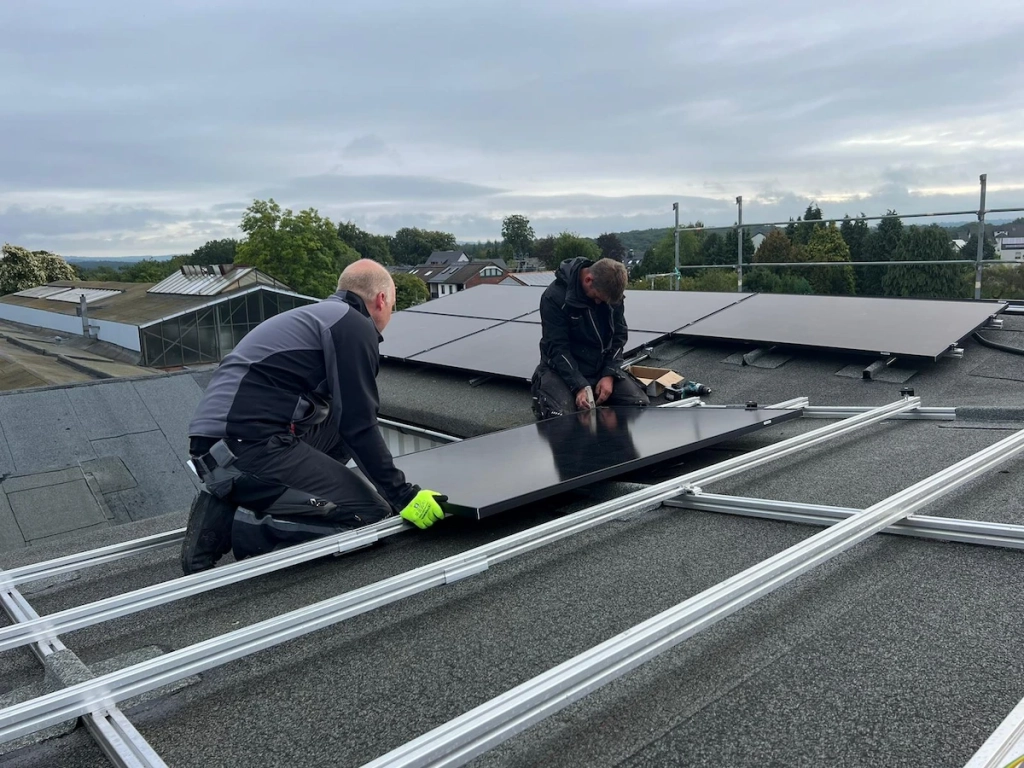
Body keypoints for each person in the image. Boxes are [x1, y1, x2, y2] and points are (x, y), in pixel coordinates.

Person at [181, 259, 446, 575]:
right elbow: (359, 424)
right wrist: (404, 496)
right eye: (392, 305)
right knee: (370, 514)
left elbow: (346, 422)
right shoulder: (353, 325)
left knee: (335, 419)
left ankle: (226, 501)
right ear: (381, 300)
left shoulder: (321, 316)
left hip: (223, 446)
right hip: (244, 448)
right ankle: (241, 527)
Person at [531, 256, 650, 419]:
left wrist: (609, 374)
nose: (599, 303)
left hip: (598, 367)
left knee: (638, 405)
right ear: (588, 280)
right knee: (561, 417)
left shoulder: (610, 295)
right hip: (560, 370)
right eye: (597, 298)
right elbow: (557, 349)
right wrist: (579, 385)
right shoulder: (554, 298)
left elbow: (619, 337)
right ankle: (545, 395)